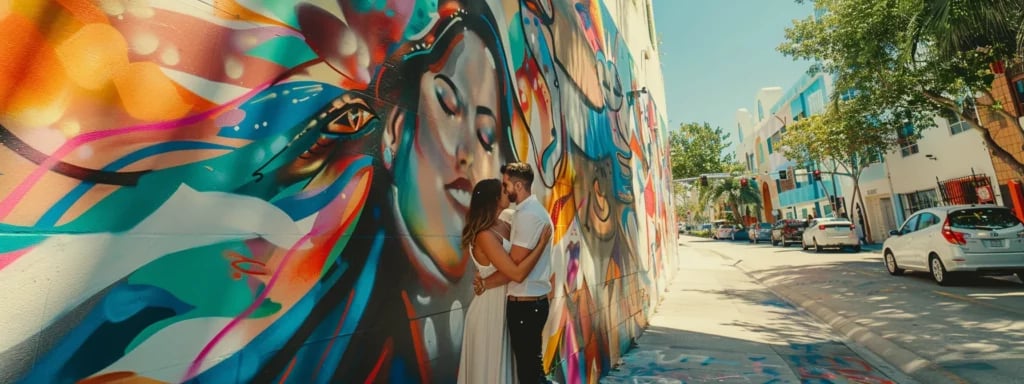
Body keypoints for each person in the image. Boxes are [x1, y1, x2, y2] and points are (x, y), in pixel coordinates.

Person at [458, 179, 551, 384]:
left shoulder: (508, 220)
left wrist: (485, 281)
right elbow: (515, 273)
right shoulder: (484, 235)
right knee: (491, 371)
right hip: (489, 310)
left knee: (513, 368)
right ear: (493, 199)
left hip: (509, 304)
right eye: (503, 190)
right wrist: (541, 245)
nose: (508, 192)